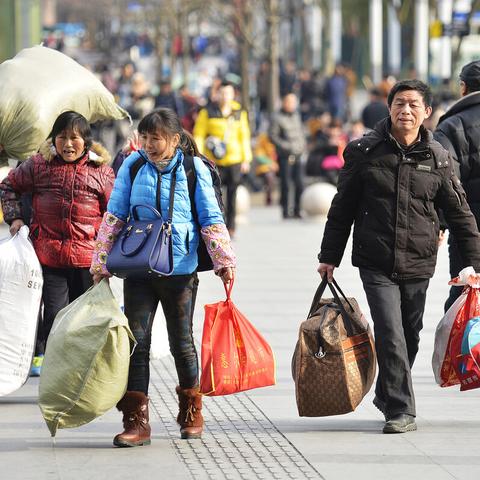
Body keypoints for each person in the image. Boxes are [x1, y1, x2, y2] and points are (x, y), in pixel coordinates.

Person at [317, 80, 480, 434]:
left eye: (413, 105)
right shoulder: (364, 151)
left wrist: (475, 263)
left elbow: (460, 212)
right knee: (390, 332)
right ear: (389, 108)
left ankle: (388, 389)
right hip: (375, 258)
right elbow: (341, 207)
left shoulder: (438, 157)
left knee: (409, 333)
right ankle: (402, 410)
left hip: (419, 260)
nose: (405, 111)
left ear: (426, 113)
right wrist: (329, 255)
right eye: (399, 103)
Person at [90, 108, 236, 447]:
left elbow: (210, 215)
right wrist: (100, 261)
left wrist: (224, 261)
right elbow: (115, 213)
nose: (150, 144)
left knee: (182, 343)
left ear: (174, 139)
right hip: (138, 267)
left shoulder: (192, 167)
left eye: (156, 138)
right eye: (146, 137)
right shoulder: (133, 164)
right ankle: (136, 421)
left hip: (180, 269)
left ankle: (191, 412)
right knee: (136, 342)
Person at [0, 111, 115, 374]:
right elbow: (8, 186)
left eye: (74, 137)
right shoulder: (39, 165)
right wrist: (15, 217)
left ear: (86, 141)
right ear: (54, 139)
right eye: (62, 137)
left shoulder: (102, 173)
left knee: (85, 320)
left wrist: (109, 254)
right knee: (54, 315)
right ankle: (56, 373)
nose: (68, 143)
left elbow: (114, 214)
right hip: (50, 259)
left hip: (88, 263)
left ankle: (82, 374)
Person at [434, 60, 480, 311]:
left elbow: (444, 180)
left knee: (465, 294)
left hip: (467, 229)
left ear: (463, 87)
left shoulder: (452, 125)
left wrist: (439, 223)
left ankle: (464, 350)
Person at [193, 80, 252, 237]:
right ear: (217, 94)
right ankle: (218, 225)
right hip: (213, 161)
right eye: (223, 93)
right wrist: (198, 156)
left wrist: (246, 159)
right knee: (214, 194)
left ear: (233, 94)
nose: (225, 96)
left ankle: (231, 226)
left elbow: (244, 136)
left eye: (228, 93)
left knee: (232, 194)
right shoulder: (207, 111)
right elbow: (199, 133)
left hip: (235, 159)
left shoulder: (240, 112)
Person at [269, 92, 306, 218]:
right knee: (286, 184)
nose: (292, 105)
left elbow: (301, 132)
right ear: (283, 103)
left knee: (300, 183)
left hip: (299, 153)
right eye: (289, 102)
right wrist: (287, 147)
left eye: (294, 102)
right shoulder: (277, 117)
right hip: (285, 155)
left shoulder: (297, 115)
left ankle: (297, 209)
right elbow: (273, 136)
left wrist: (302, 145)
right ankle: (285, 210)